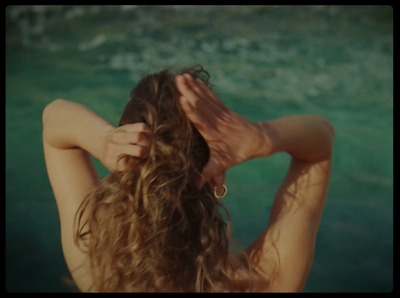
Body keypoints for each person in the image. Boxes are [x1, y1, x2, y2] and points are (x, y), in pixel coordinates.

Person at [42, 65, 334, 292]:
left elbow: (54, 118)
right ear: (217, 175)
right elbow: (320, 144)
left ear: (125, 171)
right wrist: (261, 136)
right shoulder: (265, 280)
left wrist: (103, 139)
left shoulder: (98, 265)